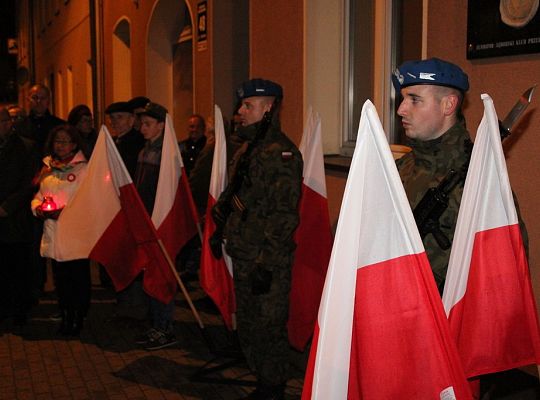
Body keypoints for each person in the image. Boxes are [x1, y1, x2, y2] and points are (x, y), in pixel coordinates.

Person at [393, 57, 530, 398]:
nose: (401, 110)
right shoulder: (400, 168)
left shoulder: (479, 174)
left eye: (414, 99)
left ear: (448, 104)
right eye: (402, 99)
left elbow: (507, 258)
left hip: (451, 325)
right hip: (401, 319)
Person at [211, 79, 303, 400]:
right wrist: (218, 229)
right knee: (249, 323)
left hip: (266, 260)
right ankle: (262, 379)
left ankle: (272, 387)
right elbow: (233, 196)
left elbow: (283, 214)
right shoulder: (249, 149)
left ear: (268, 108)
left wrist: (267, 261)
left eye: (247, 105)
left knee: (269, 325)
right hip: (245, 251)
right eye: (241, 105)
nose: (239, 112)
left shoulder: (281, 152)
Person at [30, 124, 90, 336]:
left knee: (78, 278)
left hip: (75, 233)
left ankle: (78, 317)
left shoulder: (83, 169)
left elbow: (88, 199)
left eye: (65, 141)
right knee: (61, 280)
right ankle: (65, 316)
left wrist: (66, 211)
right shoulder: (48, 169)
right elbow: (39, 195)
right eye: (58, 141)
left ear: (74, 144)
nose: (61, 146)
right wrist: (39, 209)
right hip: (54, 232)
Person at [132, 102, 179, 351]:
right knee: (149, 273)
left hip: (160, 223)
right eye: (141, 123)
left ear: (162, 125)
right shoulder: (145, 152)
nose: (142, 128)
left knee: (163, 275)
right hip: (146, 222)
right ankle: (155, 323)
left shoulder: (168, 154)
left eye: (148, 124)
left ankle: (165, 327)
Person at [0, 107, 37, 326]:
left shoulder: (26, 147)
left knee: (18, 266)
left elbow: (30, 182)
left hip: (16, 219)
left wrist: (9, 206)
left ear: (7, 123)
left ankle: (20, 309)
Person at [105, 101, 145, 178]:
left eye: (119, 117)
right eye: (111, 117)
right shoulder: (112, 141)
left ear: (131, 120)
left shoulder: (138, 142)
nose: (114, 122)